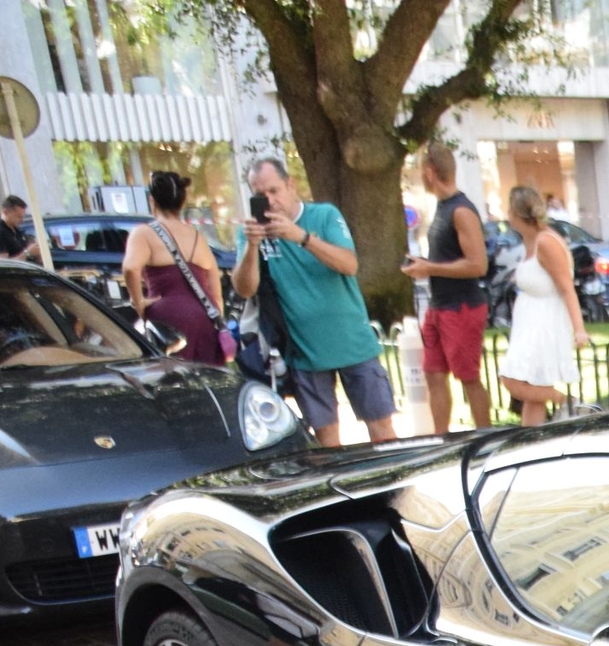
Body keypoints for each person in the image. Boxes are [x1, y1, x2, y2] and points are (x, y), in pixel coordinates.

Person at [232, 157, 397, 447]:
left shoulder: (323, 216)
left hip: (353, 345)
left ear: (291, 185)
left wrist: (301, 237)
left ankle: (395, 491)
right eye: (260, 195)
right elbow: (245, 289)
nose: (269, 201)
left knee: (382, 431)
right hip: (305, 353)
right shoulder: (251, 233)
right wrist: (252, 248)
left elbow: (349, 264)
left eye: (274, 191)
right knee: (327, 443)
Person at [400, 144, 490, 433]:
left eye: (420, 173)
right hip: (439, 306)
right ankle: (441, 441)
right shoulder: (442, 207)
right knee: (433, 374)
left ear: (430, 172)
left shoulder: (461, 210)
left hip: (461, 306)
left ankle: (485, 437)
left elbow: (478, 265)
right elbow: (451, 258)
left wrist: (431, 269)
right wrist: (424, 264)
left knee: (469, 378)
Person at [495, 185, 587, 428]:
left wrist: (578, 329)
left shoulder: (546, 242)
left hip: (544, 322)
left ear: (517, 215)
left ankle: (568, 401)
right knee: (534, 390)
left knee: (512, 380)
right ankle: (530, 440)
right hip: (530, 320)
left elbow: (567, 287)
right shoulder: (532, 242)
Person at [122, 171, 226, 365]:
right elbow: (216, 290)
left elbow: (130, 268)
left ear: (151, 200)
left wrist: (138, 302)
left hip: (168, 320)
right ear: (182, 202)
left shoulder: (143, 233)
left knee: (173, 383)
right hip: (205, 317)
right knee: (209, 382)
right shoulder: (198, 237)